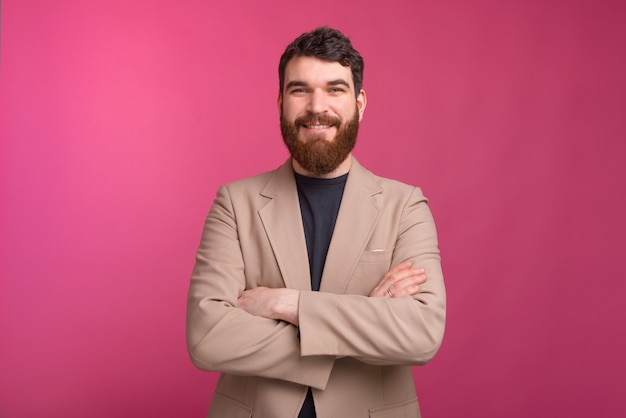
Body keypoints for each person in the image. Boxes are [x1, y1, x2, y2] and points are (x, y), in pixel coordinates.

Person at [186, 26, 446, 418]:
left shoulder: (405, 206)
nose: (316, 106)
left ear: (359, 103)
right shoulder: (235, 203)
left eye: (335, 89)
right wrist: (363, 319)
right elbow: (208, 337)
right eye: (300, 90)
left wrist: (290, 305)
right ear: (280, 102)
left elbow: (421, 333)